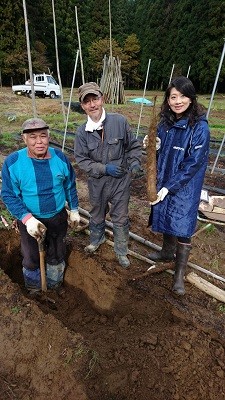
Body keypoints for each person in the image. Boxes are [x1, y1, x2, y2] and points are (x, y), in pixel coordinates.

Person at [144, 76, 210, 295]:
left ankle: (179, 274)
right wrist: (154, 144)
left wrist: (169, 187)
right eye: (173, 97)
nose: (178, 101)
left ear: (191, 98)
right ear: (168, 100)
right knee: (166, 216)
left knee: (183, 225)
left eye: (182, 96)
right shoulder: (166, 123)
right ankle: (165, 251)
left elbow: (193, 164)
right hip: (166, 179)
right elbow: (162, 150)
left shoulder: (199, 128)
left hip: (185, 186)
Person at [1, 118, 80, 293]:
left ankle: (53, 285)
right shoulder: (13, 163)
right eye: (33, 137)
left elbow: (70, 185)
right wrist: (27, 219)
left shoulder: (60, 157)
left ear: (49, 137)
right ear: (24, 139)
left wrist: (74, 209)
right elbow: (8, 194)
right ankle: (34, 288)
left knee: (56, 253)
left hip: (57, 217)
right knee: (30, 257)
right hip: (29, 219)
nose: (39, 141)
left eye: (43, 136)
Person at [74, 82, 143, 268]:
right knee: (97, 213)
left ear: (102, 99)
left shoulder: (119, 121)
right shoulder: (82, 132)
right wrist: (104, 169)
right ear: (82, 106)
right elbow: (81, 160)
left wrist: (135, 163)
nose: (92, 105)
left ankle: (121, 251)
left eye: (94, 99)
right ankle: (97, 240)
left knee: (120, 216)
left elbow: (133, 147)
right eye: (87, 102)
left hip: (120, 181)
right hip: (97, 183)